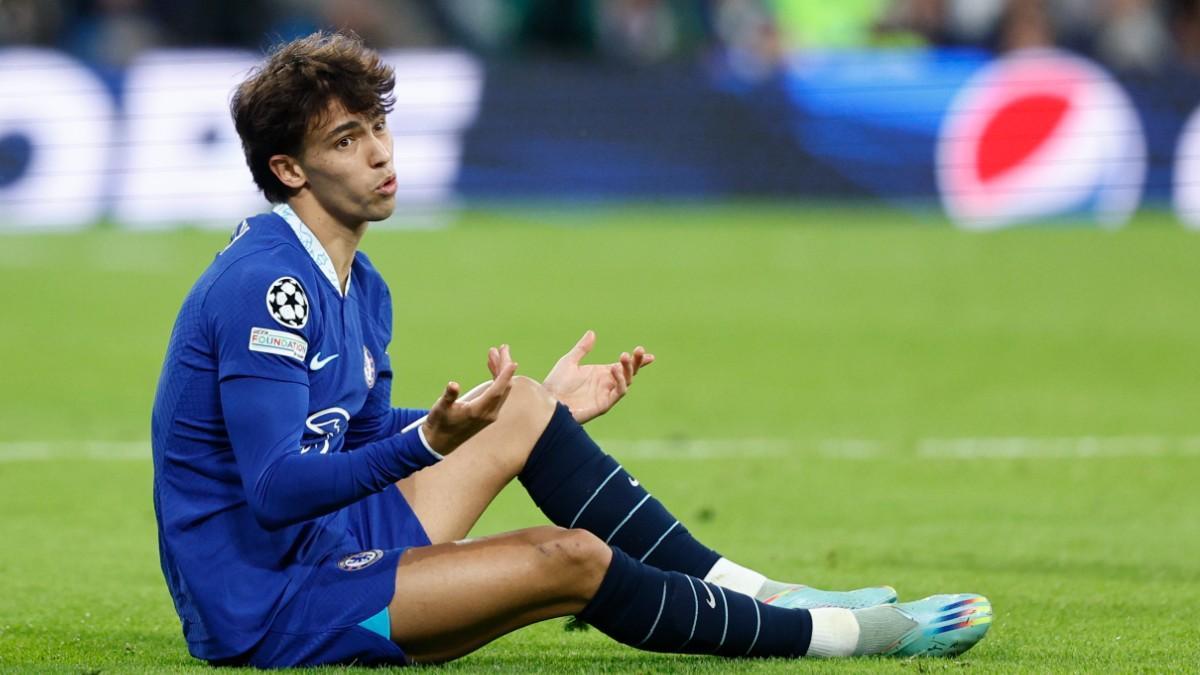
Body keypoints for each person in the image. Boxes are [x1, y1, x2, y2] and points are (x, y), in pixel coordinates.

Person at [150, 31, 992, 668]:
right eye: (345, 141)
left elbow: (361, 439)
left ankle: (762, 590)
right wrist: (431, 441)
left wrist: (521, 415)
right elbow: (272, 487)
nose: (379, 152)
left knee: (521, 403)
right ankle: (838, 635)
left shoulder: (359, 285)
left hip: (326, 542)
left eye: (377, 127)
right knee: (574, 558)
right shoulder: (269, 287)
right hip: (266, 602)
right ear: (289, 171)